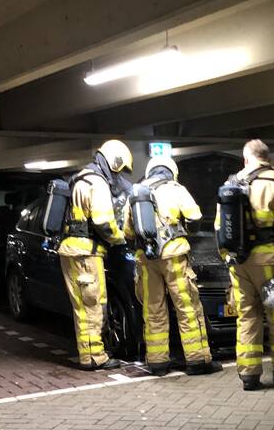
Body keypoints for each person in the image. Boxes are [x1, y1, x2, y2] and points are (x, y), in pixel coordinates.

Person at [217, 139, 274, 391]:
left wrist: (226, 256)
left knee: (247, 316)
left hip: (238, 263)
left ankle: (249, 374)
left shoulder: (229, 184)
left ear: (246, 159)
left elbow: (218, 228)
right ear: (267, 157)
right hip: (269, 261)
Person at [124, 155, 221, 377]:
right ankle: (197, 360)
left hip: (146, 261)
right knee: (187, 307)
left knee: (153, 310)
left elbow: (127, 231)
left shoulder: (136, 193)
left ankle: (158, 363)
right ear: (171, 171)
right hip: (174, 256)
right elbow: (194, 216)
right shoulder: (175, 188)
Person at [58, 139, 132, 370]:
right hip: (86, 253)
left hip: (70, 250)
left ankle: (87, 354)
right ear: (115, 162)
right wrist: (120, 238)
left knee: (81, 307)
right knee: (94, 304)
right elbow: (103, 222)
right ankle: (95, 357)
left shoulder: (80, 178)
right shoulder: (97, 182)